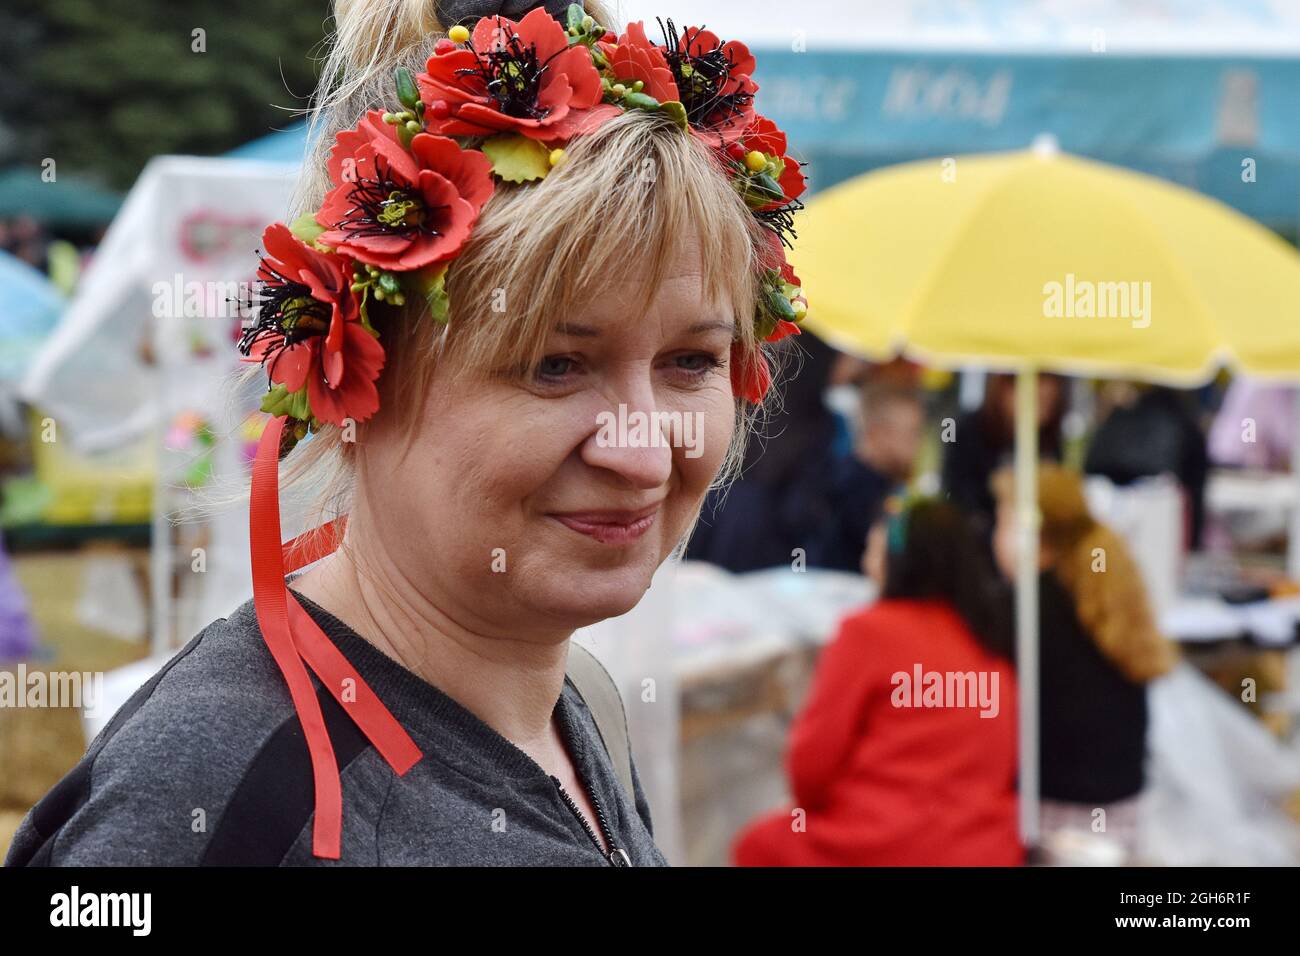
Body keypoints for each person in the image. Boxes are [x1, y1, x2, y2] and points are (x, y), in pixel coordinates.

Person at [5, 0, 810, 866]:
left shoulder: (582, 708)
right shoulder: (220, 799)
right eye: (553, 366)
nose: (644, 448)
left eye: (690, 362)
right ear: (351, 374)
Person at [731, 499, 1022, 866]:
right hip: (986, 847)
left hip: (882, 847)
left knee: (758, 843)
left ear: (893, 560)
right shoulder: (990, 638)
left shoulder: (868, 633)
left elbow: (810, 767)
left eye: (873, 550)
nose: (868, 561)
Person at [990, 463, 1177, 860]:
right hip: (1124, 810)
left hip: (1056, 817)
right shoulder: (1105, 590)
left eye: (1002, 523)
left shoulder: (1027, 609)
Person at [808, 379, 924, 572]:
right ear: (877, 433)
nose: (917, 444)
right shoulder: (852, 489)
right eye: (911, 433)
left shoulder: (871, 480)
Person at [941, 371, 1066, 544]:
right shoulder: (969, 432)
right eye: (1037, 401)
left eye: (1048, 403)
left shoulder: (1048, 440)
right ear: (1006, 391)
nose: (1043, 411)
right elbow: (956, 497)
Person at [1084, 382, 1209, 550]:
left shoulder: (1120, 418)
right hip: (1161, 529)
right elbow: (1196, 488)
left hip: (1109, 535)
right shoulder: (1183, 421)